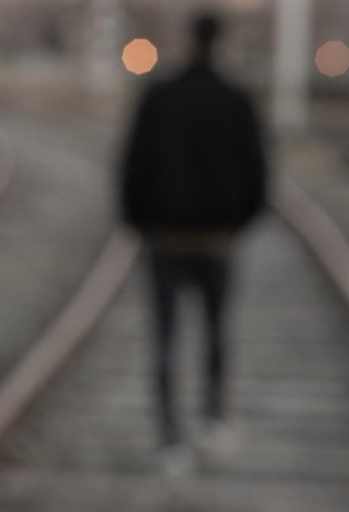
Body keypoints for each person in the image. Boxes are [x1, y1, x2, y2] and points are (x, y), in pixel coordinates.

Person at [119, 12, 267, 468]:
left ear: (188, 40)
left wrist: (142, 224)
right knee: (216, 333)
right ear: (221, 41)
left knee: (165, 340)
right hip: (215, 240)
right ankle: (212, 420)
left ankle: (170, 439)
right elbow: (258, 176)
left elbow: (131, 168)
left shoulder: (158, 96)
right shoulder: (237, 100)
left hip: (165, 239)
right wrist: (233, 225)